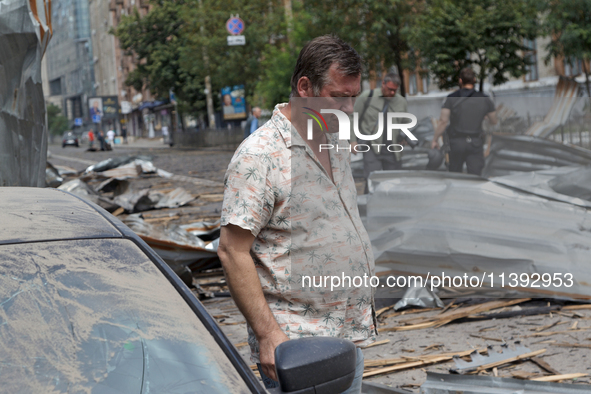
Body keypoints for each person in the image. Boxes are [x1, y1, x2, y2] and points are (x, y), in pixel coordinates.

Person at [218, 35, 375, 394]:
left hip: (346, 338)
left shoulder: (334, 141)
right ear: (305, 87)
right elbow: (232, 251)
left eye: (354, 96)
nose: (349, 108)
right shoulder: (261, 156)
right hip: (298, 346)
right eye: (339, 96)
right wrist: (269, 334)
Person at [431, 68, 498, 175]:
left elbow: (443, 121)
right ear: (474, 80)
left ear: (460, 81)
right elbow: (494, 120)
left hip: (456, 143)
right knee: (475, 177)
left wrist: (435, 139)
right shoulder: (484, 99)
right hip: (475, 143)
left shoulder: (451, 98)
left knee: (455, 176)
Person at [350, 73, 407, 192]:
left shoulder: (401, 101)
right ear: (383, 84)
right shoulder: (368, 96)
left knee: (394, 182)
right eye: (390, 89)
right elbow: (352, 118)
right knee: (372, 180)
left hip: (393, 148)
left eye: (395, 91)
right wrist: (353, 140)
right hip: (371, 145)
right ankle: (370, 207)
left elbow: (405, 122)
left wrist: (404, 136)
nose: (392, 93)